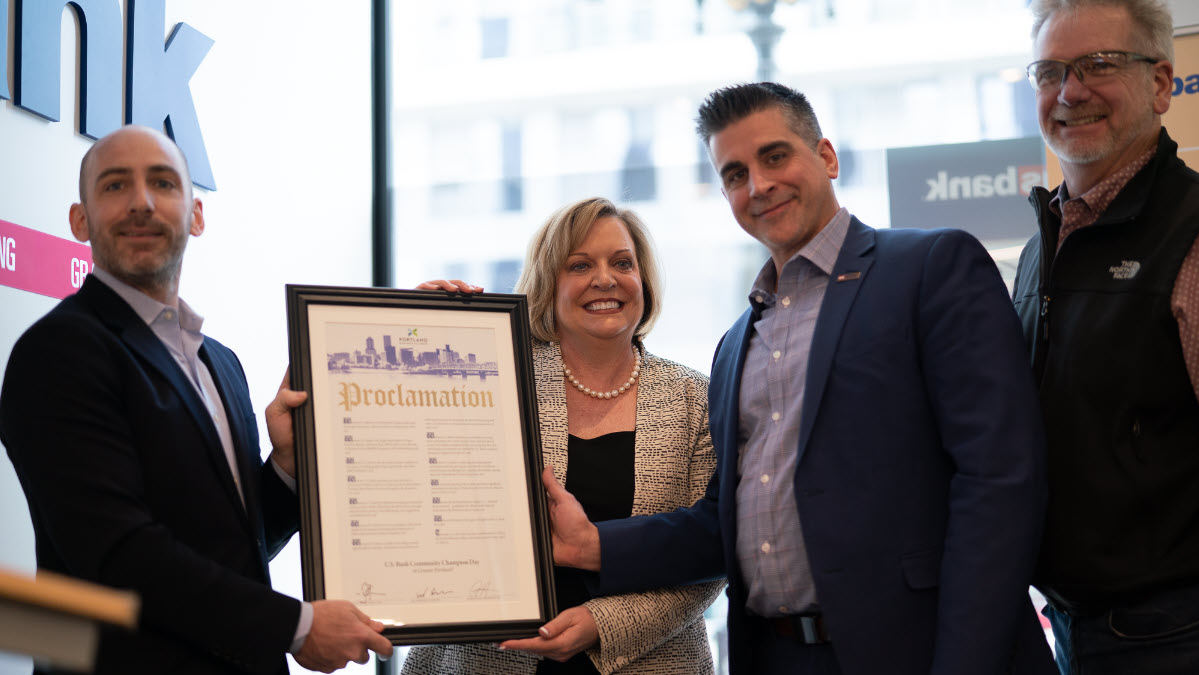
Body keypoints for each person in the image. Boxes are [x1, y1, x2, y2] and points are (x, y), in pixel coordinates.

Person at [543, 83, 1057, 675]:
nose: (758, 185)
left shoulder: (931, 268)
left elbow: (999, 480)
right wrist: (594, 547)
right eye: (735, 174)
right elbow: (723, 523)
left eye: (775, 156)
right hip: (778, 654)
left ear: (827, 157)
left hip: (920, 651)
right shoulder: (736, 344)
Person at [0, 125, 393, 675]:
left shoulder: (221, 363)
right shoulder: (58, 351)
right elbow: (118, 553)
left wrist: (284, 468)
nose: (141, 202)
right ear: (79, 220)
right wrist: (296, 625)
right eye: (115, 186)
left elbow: (232, 548)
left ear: (196, 215)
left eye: (162, 183)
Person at [400, 197, 724, 674]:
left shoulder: (696, 398)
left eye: (622, 263)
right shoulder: (490, 380)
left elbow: (710, 553)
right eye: (579, 265)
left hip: (651, 661)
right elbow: (418, 479)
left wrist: (604, 624)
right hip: (484, 661)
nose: (604, 278)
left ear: (644, 282)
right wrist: (415, 330)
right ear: (547, 286)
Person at [1011, 1, 1199, 672]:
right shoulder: (1049, 240)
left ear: (1160, 84)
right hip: (1071, 620)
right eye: (1051, 71)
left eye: (1098, 64)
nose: (1070, 92)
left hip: (1171, 629)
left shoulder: (1192, 232)